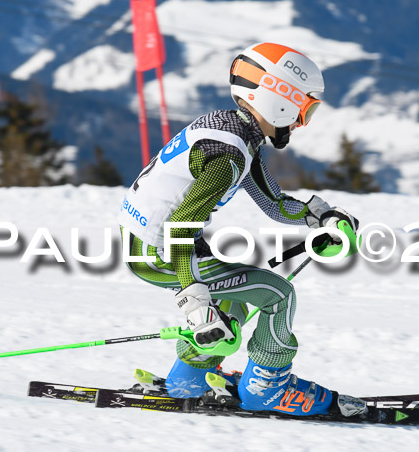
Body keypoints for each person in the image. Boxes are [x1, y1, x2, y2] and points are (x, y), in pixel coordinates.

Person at [117, 42, 365, 417]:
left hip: (151, 245)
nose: (300, 123)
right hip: (160, 252)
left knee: (232, 304)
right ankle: (268, 388)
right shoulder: (229, 155)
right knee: (277, 294)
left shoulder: (235, 133)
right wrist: (194, 303)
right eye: (305, 110)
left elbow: (274, 203)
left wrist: (322, 217)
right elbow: (181, 226)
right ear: (279, 99)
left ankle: (188, 380)